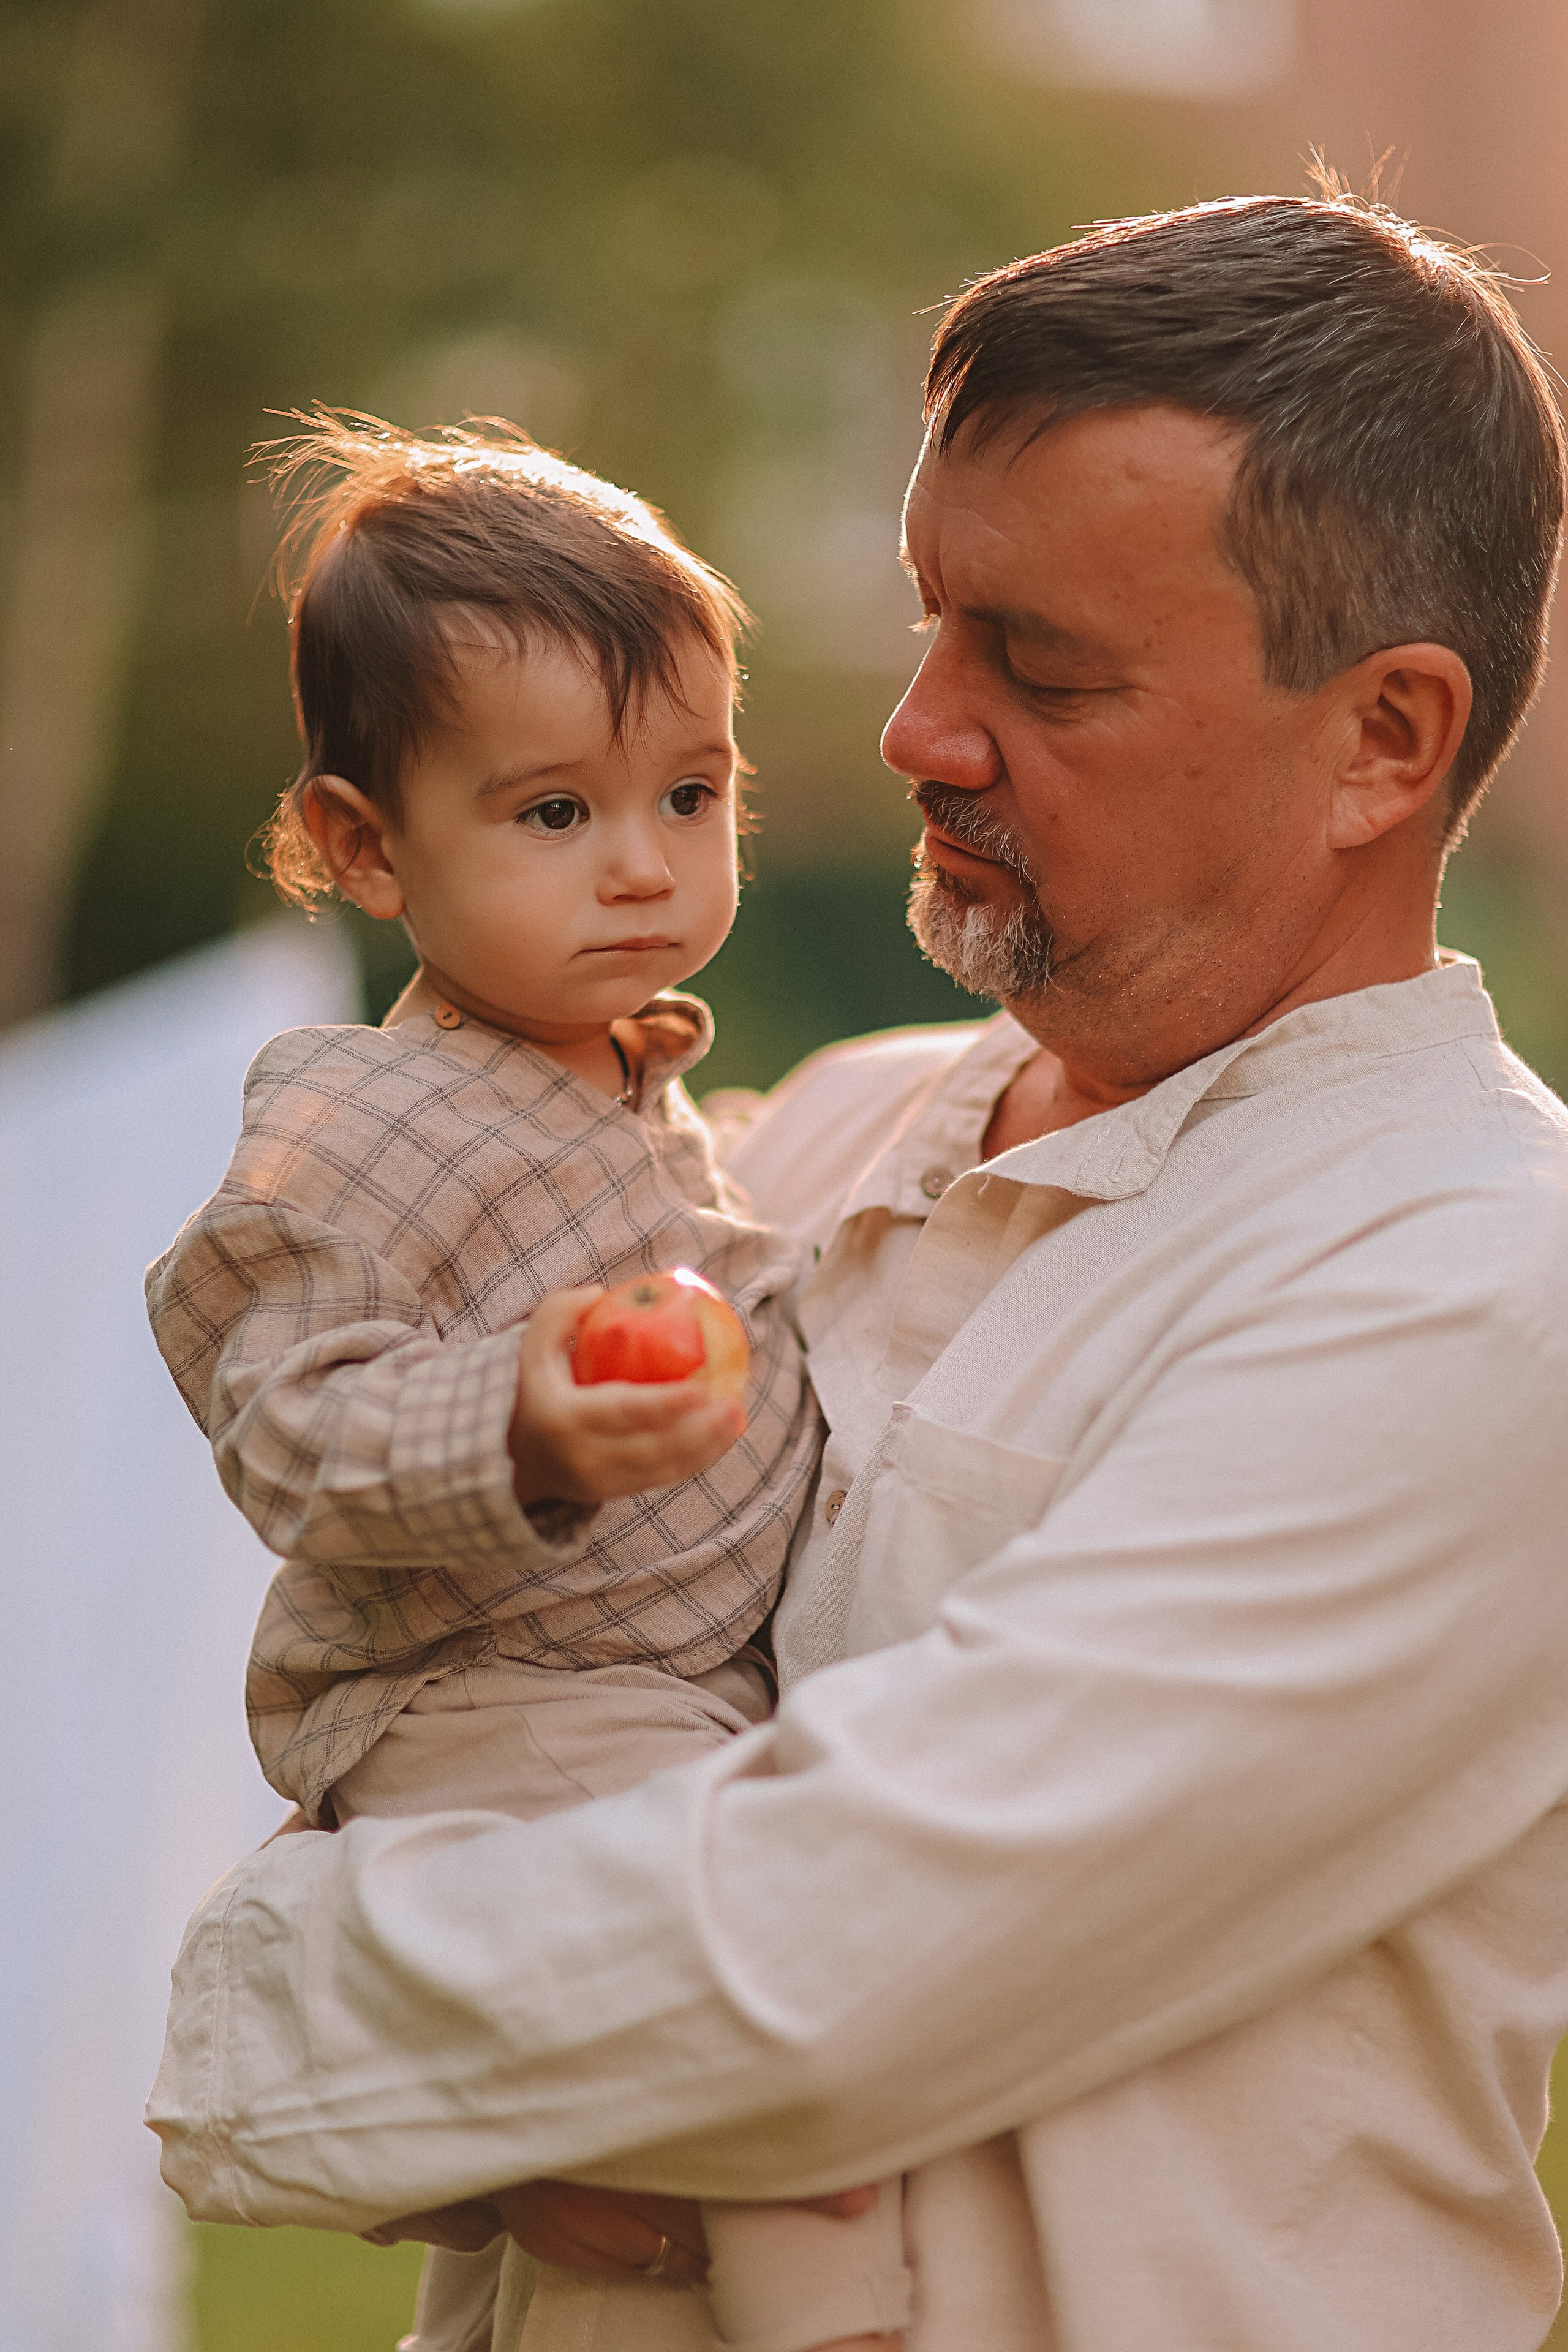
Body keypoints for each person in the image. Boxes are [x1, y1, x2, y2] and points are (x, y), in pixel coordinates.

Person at [152, 192, 1568, 2352]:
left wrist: (259, 1991)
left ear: (1385, 737)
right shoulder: (802, 1139)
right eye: (929, 621)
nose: (915, 729)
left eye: (1040, 667)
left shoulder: (1485, 1291)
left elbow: (806, 1972)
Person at [144, 416, 908, 2352]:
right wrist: (520, 1422)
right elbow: (284, 1416)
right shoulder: (360, 1116)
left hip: (632, 1688)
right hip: (505, 1698)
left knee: (540, 2247)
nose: (643, 868)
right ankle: (852, 2319)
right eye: (555, 815)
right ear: (361, 844)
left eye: (691, 793)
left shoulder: (634, 1086)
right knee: (755, 1975)